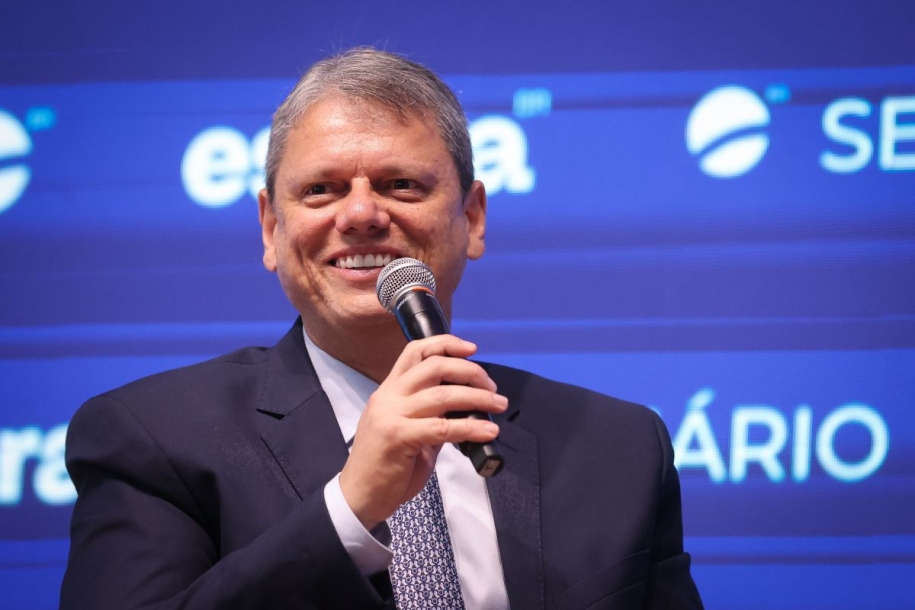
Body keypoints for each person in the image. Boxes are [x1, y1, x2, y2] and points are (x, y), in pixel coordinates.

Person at [61, 48, 703, 609]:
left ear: (473, 218)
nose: (362, 214)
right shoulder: (153, 440)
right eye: (321, 190)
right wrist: (349, 509)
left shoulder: (620, 449)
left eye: (401, 184)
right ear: (271, 229)